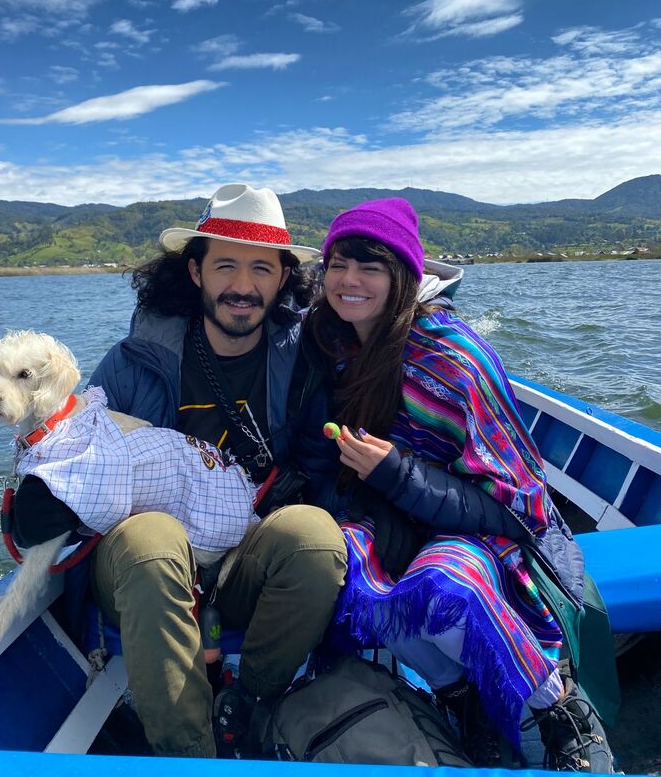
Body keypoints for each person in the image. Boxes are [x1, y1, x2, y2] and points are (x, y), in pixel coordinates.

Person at [295, 197, 617, 771]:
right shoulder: (332, 345)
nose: (348, 281)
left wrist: (397, 472)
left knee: (449, 580)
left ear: (404, 277)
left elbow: (515, 507)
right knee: (339, 569)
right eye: (338, 264)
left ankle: (556, 711)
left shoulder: (456, 357)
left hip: (475, 529)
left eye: (369, 267)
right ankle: (455, 690)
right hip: (387, 517)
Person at [86, 182, 347, 758]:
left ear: (283, 279)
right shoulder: (135, 361)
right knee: (155, 541)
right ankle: (191, 755)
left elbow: (317, 470)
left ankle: (248, 702)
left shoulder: (301, 361)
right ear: (196, 273)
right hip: (143, 561)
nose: (243, 285)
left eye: (262, 268)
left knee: (315, 538)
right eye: (225, 264)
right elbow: (80, 461)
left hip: (242, 556)